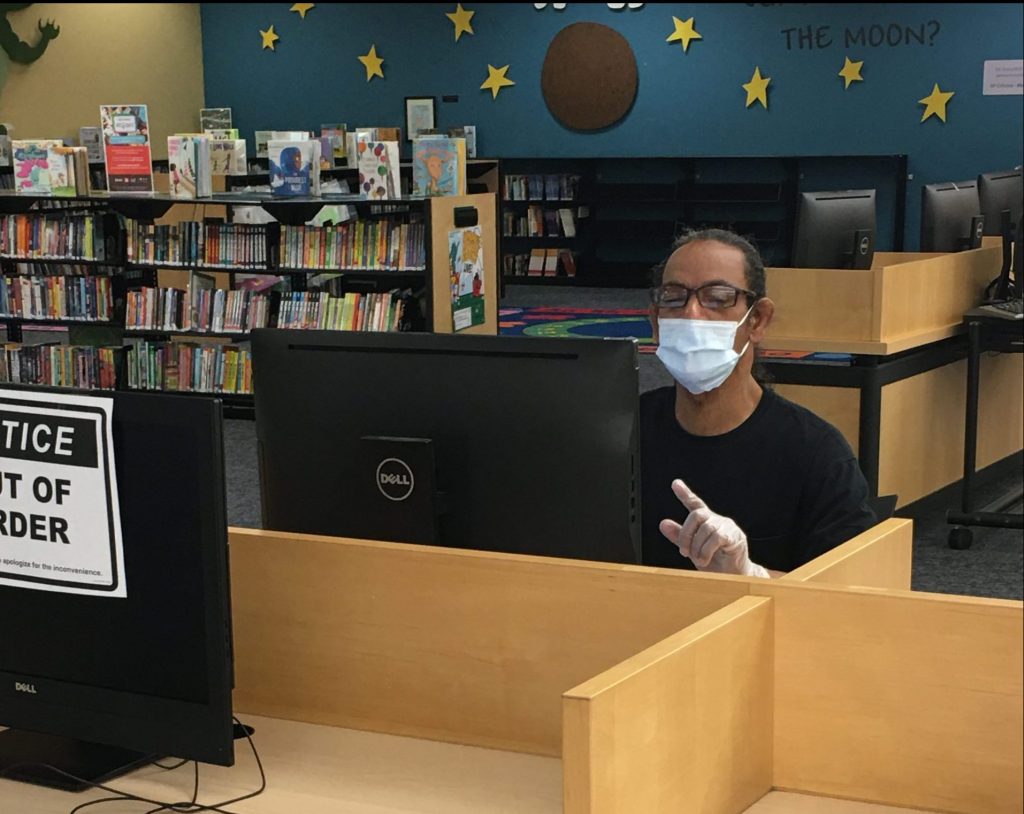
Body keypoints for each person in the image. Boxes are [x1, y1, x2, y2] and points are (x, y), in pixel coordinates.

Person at [642, 228, 875, 577]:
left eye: (718, 298)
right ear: (655, 322)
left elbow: (848, 593)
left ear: (757, 320)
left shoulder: (816, 455)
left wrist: (749, 575)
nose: (692, 314)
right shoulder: (624, 432)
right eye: (673, 298)